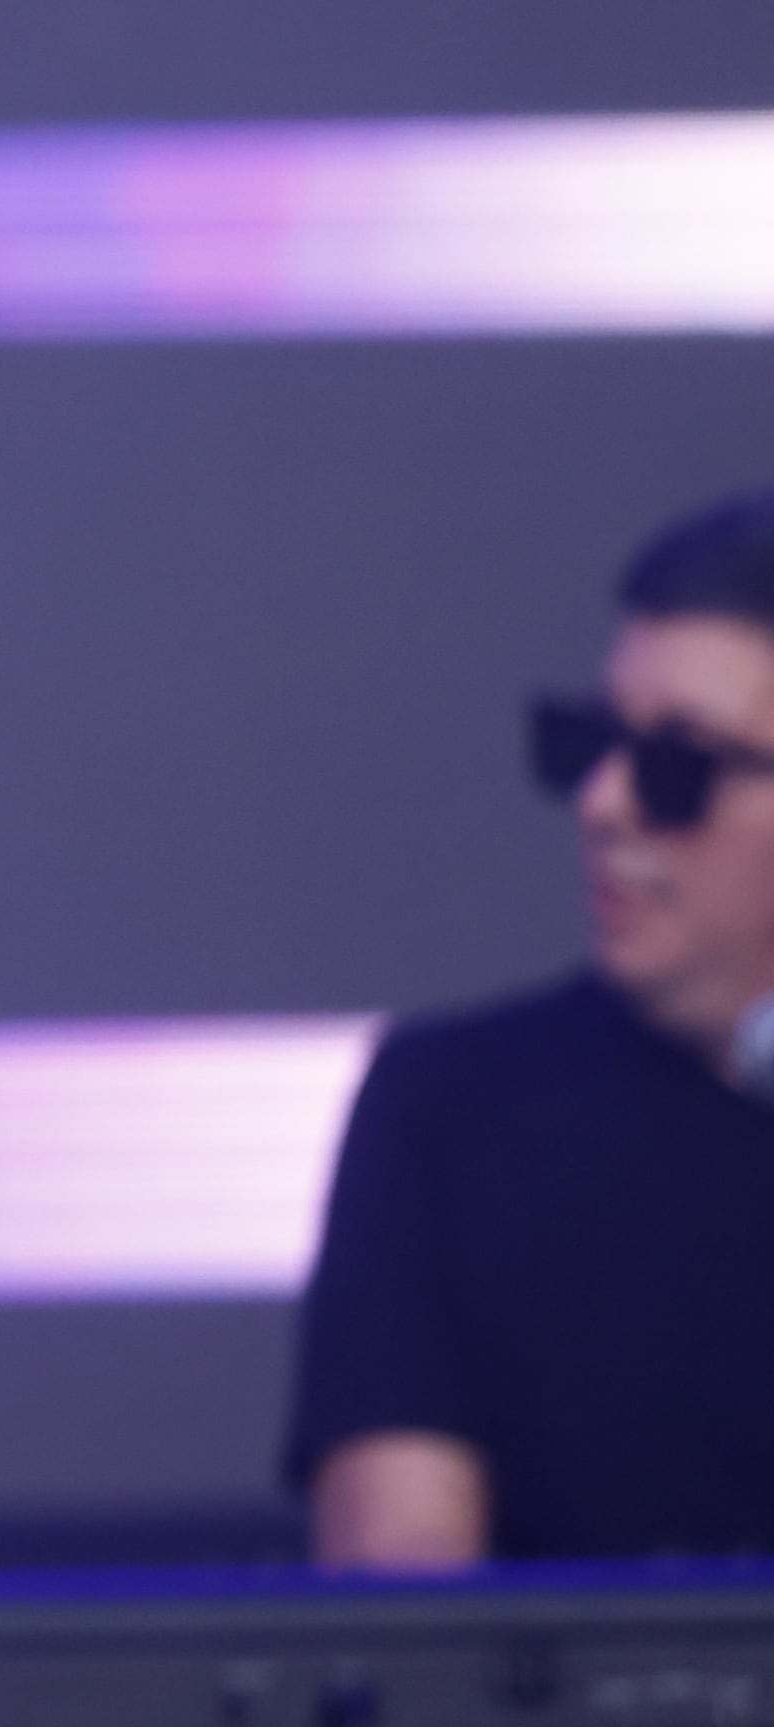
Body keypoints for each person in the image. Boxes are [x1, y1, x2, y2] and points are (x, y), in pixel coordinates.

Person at [292, 488, 774, 1566]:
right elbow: (403, 1620)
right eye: (591, 743)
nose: (603, 802)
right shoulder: (449, 1109)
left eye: (676, 765)